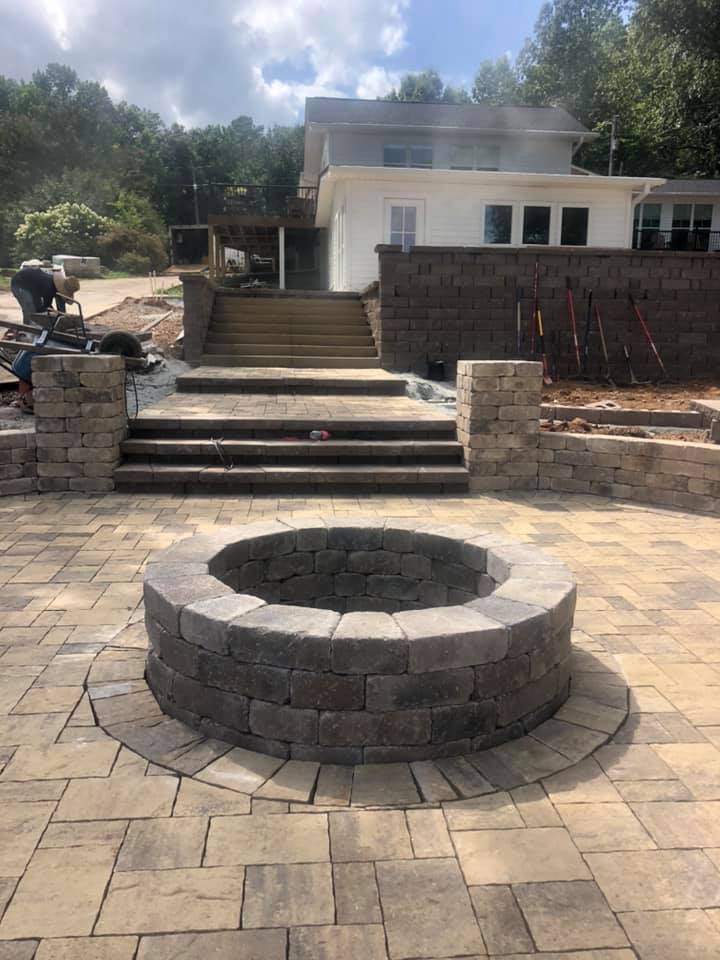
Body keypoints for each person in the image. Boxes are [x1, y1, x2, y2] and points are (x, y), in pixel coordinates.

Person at [10, 266, 80, 324]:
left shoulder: (56, 287)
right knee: (31, 310)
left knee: (40, 310)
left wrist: (63, 317)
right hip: (20, 283)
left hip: (33, 287)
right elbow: (45, 307)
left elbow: (60, 306)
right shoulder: (49, 287)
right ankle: (28, 330)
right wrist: (53, 314)